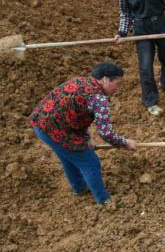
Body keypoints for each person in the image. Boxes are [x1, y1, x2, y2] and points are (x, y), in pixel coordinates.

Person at [28, 62, 138, 205]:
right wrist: (124, 143)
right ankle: (104, 201)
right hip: (56, 130)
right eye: (116, 83)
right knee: (90, 162)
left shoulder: (79, 81)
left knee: (69, 157)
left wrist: (85, 138)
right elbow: (106, 133)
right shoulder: (98, 99)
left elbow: (76, 115)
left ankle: (79, 188)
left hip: (40, 123)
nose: (117, 88)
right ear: (105, 79)